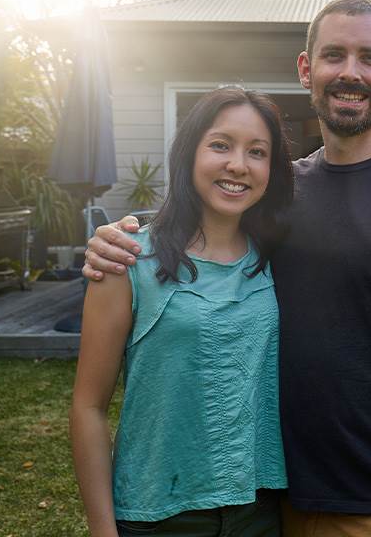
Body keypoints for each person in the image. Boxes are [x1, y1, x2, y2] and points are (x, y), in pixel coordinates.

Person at [84, 0, 371, 537]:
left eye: (369, 58)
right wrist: (117, 235)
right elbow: (204, 224)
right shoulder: (277, 194)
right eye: (334, 55)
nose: (350, 73)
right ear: (306, 69)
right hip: (277, 499)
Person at [71, 86, 294, 537]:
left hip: (263, 510)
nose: (237, 165)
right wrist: (102, 530)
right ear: (188, 152)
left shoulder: (282, 260)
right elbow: (88, 406)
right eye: (220, 145)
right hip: (159, 514)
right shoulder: (128, 258)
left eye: (257, 152)